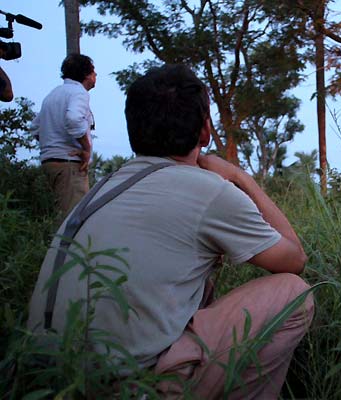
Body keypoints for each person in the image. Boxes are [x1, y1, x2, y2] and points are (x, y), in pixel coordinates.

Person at [27, 64, 314, 399]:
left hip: (48, 379)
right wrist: (240, 177)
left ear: (134, 128)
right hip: (130, 389)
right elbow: (294, 259)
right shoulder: (208, 190)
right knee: (294, 293)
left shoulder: (103, 188)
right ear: (205, 131)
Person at [30, 53, 96, 219]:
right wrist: (86, 148)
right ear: (87, 74)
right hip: (69, 165)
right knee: (73, 220)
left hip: (51, 162)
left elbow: (36, 128)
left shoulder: (53, 94)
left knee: (61, 215)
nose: (96, 75)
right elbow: (73, 119)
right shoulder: (79, 93)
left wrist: (53, 145)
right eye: (94, 71)